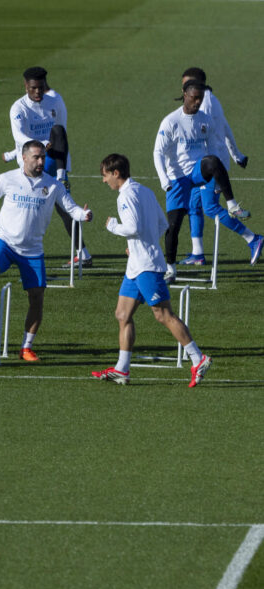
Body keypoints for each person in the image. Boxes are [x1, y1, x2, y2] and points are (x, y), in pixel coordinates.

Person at [0, 140, 93, 361]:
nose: (40, 161)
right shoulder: (7, 179)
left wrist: (84, 215)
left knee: (37, 297)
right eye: (36, 157)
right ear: (24, 157)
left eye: (42, 158)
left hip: (33, 249)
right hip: (6, 242)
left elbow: (71, 207)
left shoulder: (53, 185)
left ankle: (26, 347)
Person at [92, 154, 211, 387]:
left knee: (163, 314)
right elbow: (162, 224)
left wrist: (112, 226)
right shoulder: (145, 191)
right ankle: (122, 370)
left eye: (105, 175)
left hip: (146, 265)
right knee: (122, 314)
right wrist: (141, 244)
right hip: (136, 265)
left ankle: (199, 358)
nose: (104, 181)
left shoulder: (125, 195)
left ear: (116, 173)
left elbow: (133, 227)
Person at [153, 79, 263, 282]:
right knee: (174, 225)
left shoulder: (205, 119)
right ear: (184, 95)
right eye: (194, 98)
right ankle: (171, 269)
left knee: (211, 163)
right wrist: (164, 180)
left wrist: (217, 180)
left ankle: (232, 205)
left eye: (200, 99)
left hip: (198, 171)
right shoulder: (170, 122)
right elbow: (158, 152)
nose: (197, 103)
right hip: (177, 177)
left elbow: (213, 151)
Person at [6, 67, 91, 268]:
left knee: (64, 207)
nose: (37, 92)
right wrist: (39, 144)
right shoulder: (18, 108)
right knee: (23, 205)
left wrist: (64, 170)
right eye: (33, 88)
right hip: (28, 161)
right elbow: (18, 137)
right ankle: (9, 245)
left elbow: (62, 134)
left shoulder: (55, 101)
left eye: (41, 88)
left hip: (52, 161)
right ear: (26, 86)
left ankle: (83, 253)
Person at [177, 67, 250, 265]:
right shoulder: (211, 100)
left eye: (186, 84)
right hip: (201, 165)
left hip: (210, 167)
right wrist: (238, 155)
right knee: (193, 205)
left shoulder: (204, 104)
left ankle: (253, 239)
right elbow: (226, 128)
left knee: (209, 207)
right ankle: (197, 254)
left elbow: (203, 135)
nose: (183, 88)